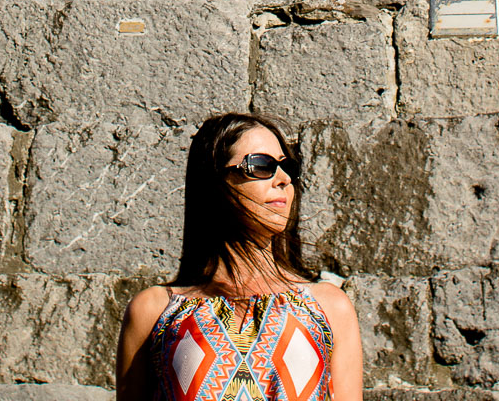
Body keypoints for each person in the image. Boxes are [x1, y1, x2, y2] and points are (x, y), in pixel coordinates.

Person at [114, 113, 363, 401]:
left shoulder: (328, 307)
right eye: (260, 166)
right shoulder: (154, 312)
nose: (282, 179)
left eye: (288, 167)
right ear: (215, 182)